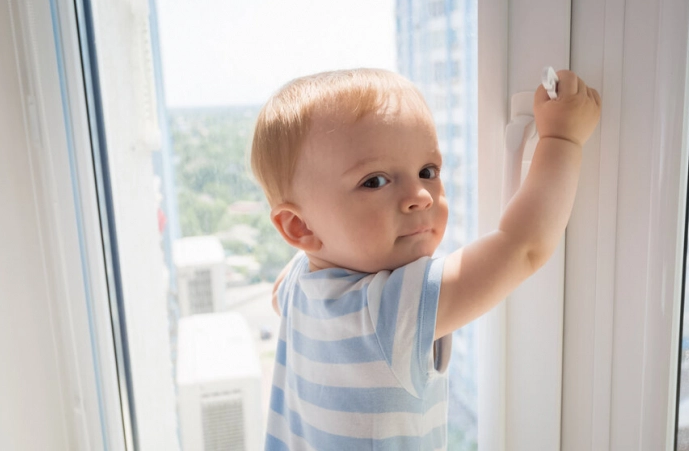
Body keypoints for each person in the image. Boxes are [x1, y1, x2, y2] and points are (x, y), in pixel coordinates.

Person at [250, 68, 601, 450]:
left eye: (427, 171)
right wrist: (562, 137)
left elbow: (278, 293)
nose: (421, 195)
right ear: (300, 227)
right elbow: (522, 247)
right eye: (375, 181)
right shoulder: (393, 309)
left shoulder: (295, 283)